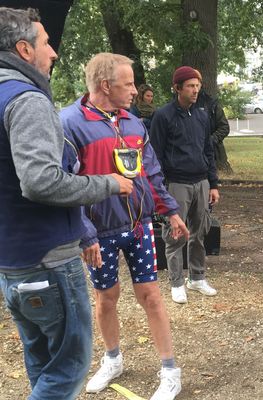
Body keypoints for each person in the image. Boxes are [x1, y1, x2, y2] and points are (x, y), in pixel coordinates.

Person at [0, 8, 133, 400]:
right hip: (47, 259)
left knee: (42, 363)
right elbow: (40, 182)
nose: (54, 52)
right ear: (24, 49)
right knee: (68, 370)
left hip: (13, 264)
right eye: (45, 42)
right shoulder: (26, 99)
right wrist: (108, 183)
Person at [60, 53, 188, 400]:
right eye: (128, 83)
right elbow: (65, 184)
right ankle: (113, 359)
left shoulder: (133, 123)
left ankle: (170, 371)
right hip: (98, 234)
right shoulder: (70, 123)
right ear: (106, 85)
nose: (135, 90)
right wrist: (85, 233)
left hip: (139, 225)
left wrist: (171, 211)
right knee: (107, 297)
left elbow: (152, 173)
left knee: (151, 296)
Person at [151, 66, 220, 304]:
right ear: (177, 88)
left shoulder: (202, 115)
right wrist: (160, 189)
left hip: (201, 181)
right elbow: (156, 155)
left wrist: (213, 183)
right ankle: (177, 282)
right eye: (190, 86)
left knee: (200, 232)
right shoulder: (163, 116)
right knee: (175, 234)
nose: (195, 90)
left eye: (198, 86)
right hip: (177, 183)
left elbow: (208, 151)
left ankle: (197, 277)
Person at [196, 75, 233, 174]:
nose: (194, 89)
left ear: (201, 84)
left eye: (196, 84)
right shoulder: (179, 108)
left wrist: (211, 140)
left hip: (213, 156)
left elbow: (224, 127)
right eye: (190, 85)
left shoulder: (212, 104)